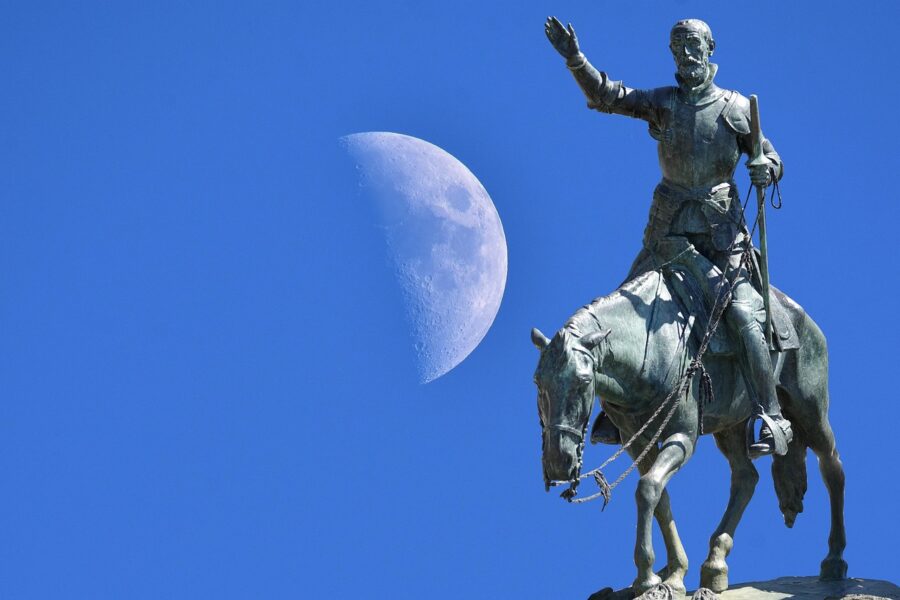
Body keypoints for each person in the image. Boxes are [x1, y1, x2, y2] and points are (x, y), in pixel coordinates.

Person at [544, 17, 791, 457]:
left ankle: (771, 415)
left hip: (720, 235)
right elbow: (608, 96)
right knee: (622, 311)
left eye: (693, 45)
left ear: (710, 48)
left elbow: (768, 156)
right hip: (667, 232)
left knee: (741, 312)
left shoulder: (734, 108)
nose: (686, 54)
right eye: (677, 46)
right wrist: (575, 60)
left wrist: (764, 168)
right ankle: (617, 413)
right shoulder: (664, 103)